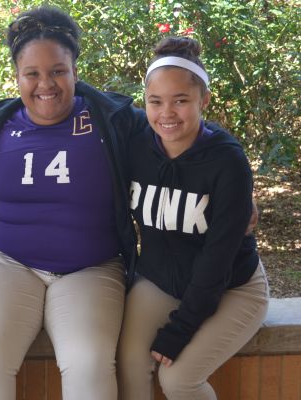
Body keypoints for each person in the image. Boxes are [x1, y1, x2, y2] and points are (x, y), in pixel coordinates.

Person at [0, 6, 147, 400]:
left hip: (91, 267)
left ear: (75, 72)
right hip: (7, 263)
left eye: (58, 71)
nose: (45, 84)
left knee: (90, 362)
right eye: (32, 73)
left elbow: (177, 139)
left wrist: (229, 191)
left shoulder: (113, 120)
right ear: (17, 77)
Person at [117, 37, 269, 400]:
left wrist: (181, 328)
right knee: (128, 363)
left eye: (181, 100)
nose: (167, 112)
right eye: (156, 101)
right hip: (160, 280)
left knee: (179, 379)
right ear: (146, 103)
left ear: (204, 100)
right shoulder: (136, 147)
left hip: (232, 287)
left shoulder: (227, 161)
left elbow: (218, 259)